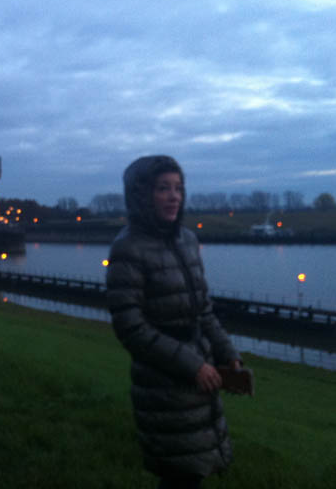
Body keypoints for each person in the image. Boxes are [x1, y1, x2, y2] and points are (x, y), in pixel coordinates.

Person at [105, 155, 242, 489]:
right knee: (180, 473)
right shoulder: (128, 248)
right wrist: (192, 366)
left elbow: (203, 310)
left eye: (178, 188)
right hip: (163, 381)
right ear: (142, 195)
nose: (173, 197)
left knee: (191, 470)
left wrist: (227, 354)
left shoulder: (188, 240)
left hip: (200, 373)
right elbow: (130, 327)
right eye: (163, 188)